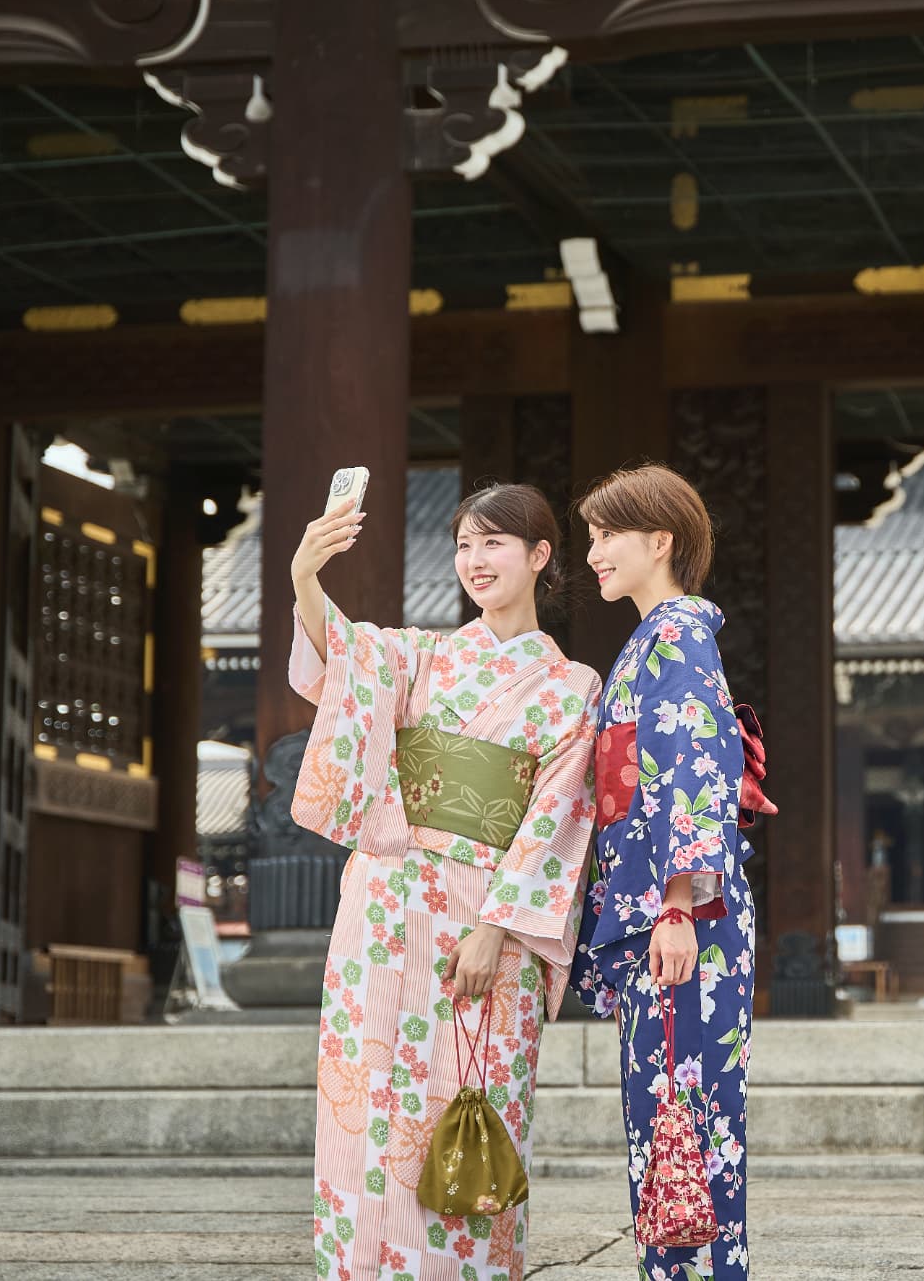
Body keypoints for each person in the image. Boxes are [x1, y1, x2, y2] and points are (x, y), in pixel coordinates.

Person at [288, 482, 600, 1281]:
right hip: (387, 906)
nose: (475, 560)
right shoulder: (422, 653)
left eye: (494, 542)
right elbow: (343, 659)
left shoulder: (573, 688)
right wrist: (305, 579)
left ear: (539, 556)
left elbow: (557, 819)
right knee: (369, 1105)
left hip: (486, 918)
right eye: (464, 544)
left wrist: (498, 926)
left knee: (471, 1103)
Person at [573, 463, 755, 1281]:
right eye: (588, 535)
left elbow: (696, 766)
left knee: (690, 1114)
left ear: (661, 540)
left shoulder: (678, 634)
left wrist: (679, 902)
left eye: (609, 534)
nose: (594, 552)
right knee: (665, 1113)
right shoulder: (654, 638)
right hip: (663, 910)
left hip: (683, 917)